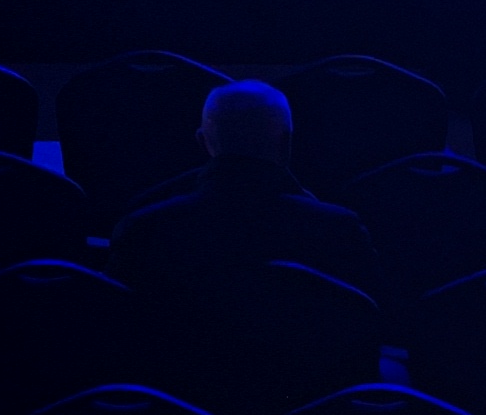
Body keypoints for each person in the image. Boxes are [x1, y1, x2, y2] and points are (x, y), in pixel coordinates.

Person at [103, 79, 379, 301]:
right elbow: (373, 318)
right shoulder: (339, 229)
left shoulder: (144, 227)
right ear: (286, 144)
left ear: (203, 142)